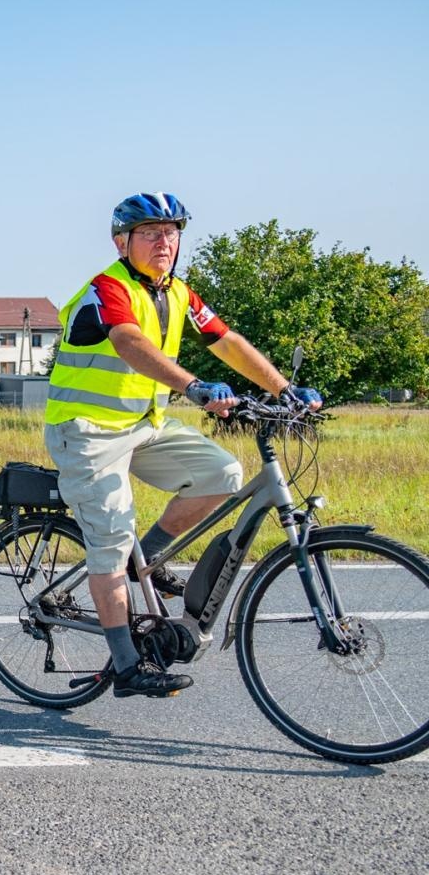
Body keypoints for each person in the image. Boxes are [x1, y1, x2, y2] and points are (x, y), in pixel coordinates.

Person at [45, 192, 322, 698]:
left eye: (171, 232)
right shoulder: (108, 288)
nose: (164, 242)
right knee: (109, 538)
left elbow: (227, 341)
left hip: (144, 425)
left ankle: (145, 557)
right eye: (150, 233)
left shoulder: (179, 294)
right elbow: (131, 343)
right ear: (122, 241)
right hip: (87, 430)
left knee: (223, 475)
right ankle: (127, 666)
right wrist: (193, 386)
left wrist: (283, 389)